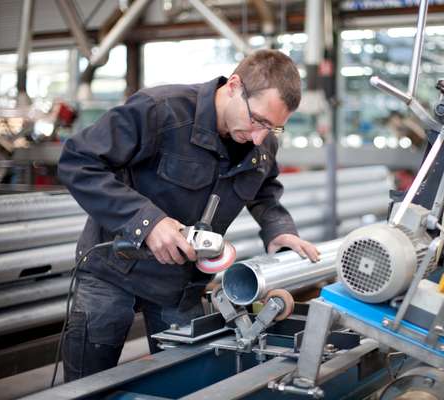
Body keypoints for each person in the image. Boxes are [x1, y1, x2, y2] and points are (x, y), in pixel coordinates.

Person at [57, 49, 320, 382]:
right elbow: (78, 161)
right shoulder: (160, 110)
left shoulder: (260, 145)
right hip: (112, 270)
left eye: (273, 128)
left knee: (186, 381)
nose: (259, 136)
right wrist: (146, 222)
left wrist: (278, 229)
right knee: (87, 386)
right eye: (258, 120)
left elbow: (265, 190)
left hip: (179, 284)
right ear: (234, 86)